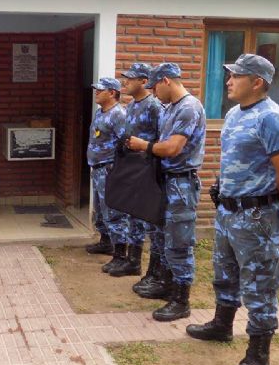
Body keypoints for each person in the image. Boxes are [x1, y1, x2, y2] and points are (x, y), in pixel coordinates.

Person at [185, 54, 279, 365]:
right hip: (227, 212)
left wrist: (264, 203)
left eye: (236, 76)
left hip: (256, 217)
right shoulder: (234, 114)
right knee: (225, 272)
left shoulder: (272, 118)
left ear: (257, 82)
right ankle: (222, 325)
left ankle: (258, 355)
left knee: (260, 285)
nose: (229, 81)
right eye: (229, 75)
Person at [126, 63, 206, 321]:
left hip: (181, 184)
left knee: (179, 243)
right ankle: (167, 285)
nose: (153, 93)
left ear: (167, 81)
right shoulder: (171, 108)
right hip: (166, 180)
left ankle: (181, 301)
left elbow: (172, 148)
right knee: (162, 237)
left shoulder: (188, 108)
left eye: (155, 86)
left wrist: (144, 146)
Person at [109, 63, 166, 285]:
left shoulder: (154, 107)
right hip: (132, 166)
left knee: (147, 217)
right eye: (125, 78)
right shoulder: (131, 105)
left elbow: (162, 138)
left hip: (147, 167)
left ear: (144, 81)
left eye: (131, 79)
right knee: (132, 213)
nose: (126, 82)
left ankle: (154, 271)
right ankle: (132, 261)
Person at [85, 77, 130, 272]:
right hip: (97, 168)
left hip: (110, 169)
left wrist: (117, 168)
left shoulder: (118, 114)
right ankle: (105, 241)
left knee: (113, 211)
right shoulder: (99, 112)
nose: (96, 92)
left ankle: (120, 254)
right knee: (100, 210)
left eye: (100, 90)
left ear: (112, 93)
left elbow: (126, 143)